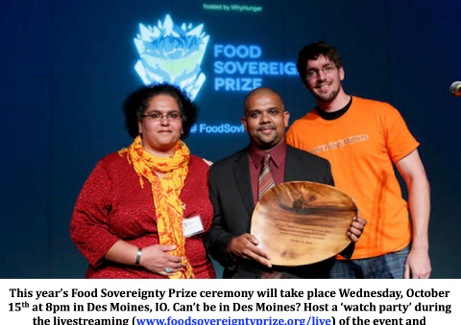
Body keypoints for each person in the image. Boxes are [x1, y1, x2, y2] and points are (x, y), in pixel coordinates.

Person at [286, 41, 431, 279]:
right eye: (312, 72)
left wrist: (420, 248)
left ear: (341, 72)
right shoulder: (298, 133)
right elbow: (298, 203)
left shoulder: (381, 114)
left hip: (393, 250)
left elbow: (417, 179)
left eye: (328, 68)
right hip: (334, 258)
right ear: (305, 82)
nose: (321, 77)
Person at [206, 87, 366, 279]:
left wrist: (347, 234)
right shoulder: (220, 172)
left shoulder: (316, 168)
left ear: (286, 118)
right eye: (255, 114)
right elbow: (211, 232)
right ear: (245, 123)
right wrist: (231, 244)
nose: (265, 119)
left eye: (272, 112)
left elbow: (328, 225)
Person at [70, 83, 215, 279]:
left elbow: (222, 231)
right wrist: (140, 256)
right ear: (139, 124)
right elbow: (84, 228)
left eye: (173, 115)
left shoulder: (204, 169)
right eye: (155, 115)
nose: (165, 122)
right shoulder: (112, 167)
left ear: (182, 124)